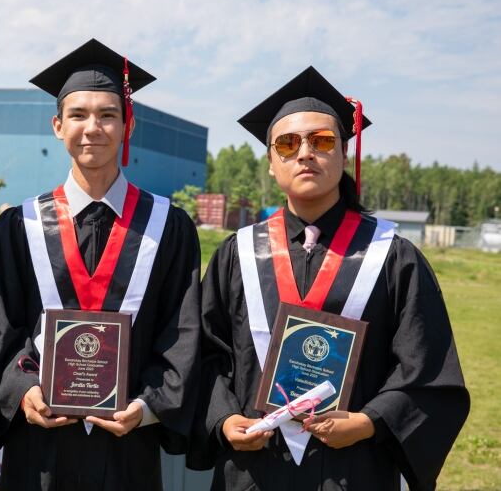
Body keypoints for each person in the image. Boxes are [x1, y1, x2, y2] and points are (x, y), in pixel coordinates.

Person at [188, 66, 469, 490]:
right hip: (253, 471)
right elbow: (206, 356)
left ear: (343, 153)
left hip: (352, 470)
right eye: (287, 143)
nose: (304, 153)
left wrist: (369, 422)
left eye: (321, 141)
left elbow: (428, 371)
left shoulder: (392, 257)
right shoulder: (237, 254)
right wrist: (224, 419)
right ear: (270, 163)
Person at [0, 38, 201, 490]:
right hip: (39, 443)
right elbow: (3, 327)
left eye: (108, 114)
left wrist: (148, 406)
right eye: (78, 115)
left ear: (128, 125)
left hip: (128, 445)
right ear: (57, 126)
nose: (93, 127)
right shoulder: (20, 224)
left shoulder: (169, 227)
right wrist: (24, 392)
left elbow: (181, 332)